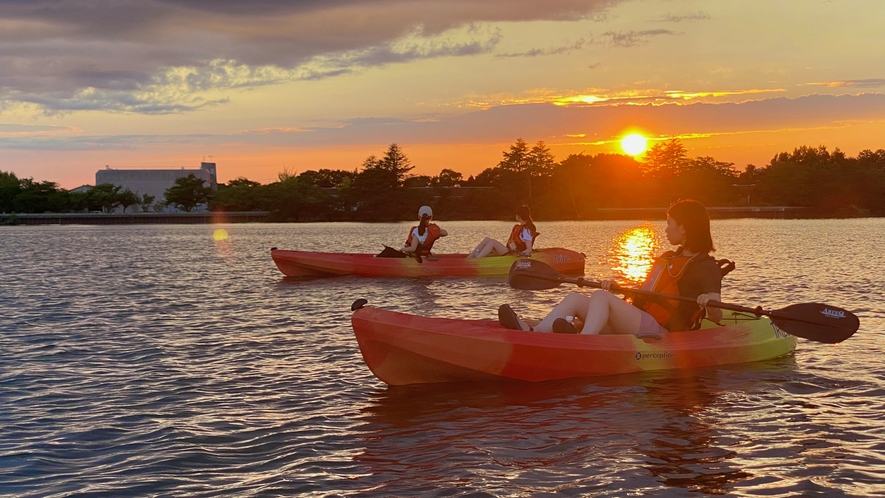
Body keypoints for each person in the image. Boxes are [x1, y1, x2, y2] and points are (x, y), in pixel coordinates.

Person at [498, 199, 723, 336]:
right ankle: (533, 332)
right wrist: (618, 289)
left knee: (600, 297)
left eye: (669, 224)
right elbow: (646, 293)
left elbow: (716, 315)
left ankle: (584, 343)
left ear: (684, 228)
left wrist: (706, 301)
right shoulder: (669, 257)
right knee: (576, 299)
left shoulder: (705, 266)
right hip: (640, 319)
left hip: (661, 330)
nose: (665, 230)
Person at [467, 205, 538, 258]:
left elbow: (529, 250)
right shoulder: (521, 227)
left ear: (518, 216)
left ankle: (476, 261)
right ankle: (469, 259)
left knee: (492, 242)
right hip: (509, 251)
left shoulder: (526, 231)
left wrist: (519, 255)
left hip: (512, 254)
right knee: (487, 240)